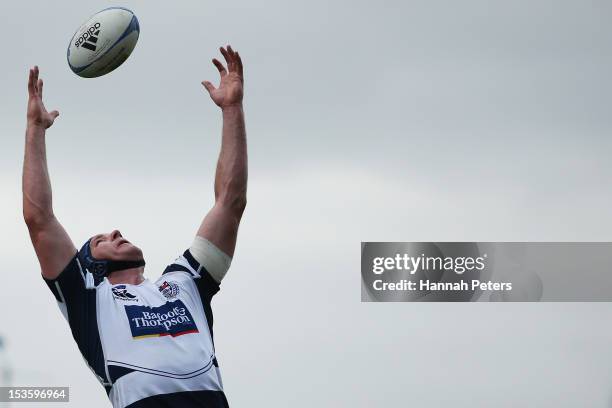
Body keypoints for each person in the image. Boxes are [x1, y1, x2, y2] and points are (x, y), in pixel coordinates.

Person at [22, 46, 247, 408]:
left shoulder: (185, 281)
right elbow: (40, 220)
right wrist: (35, 130)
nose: (113, 232)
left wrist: (232, 110)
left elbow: (230, 204)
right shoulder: (89, 299)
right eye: (99, 240)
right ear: (90, 265)